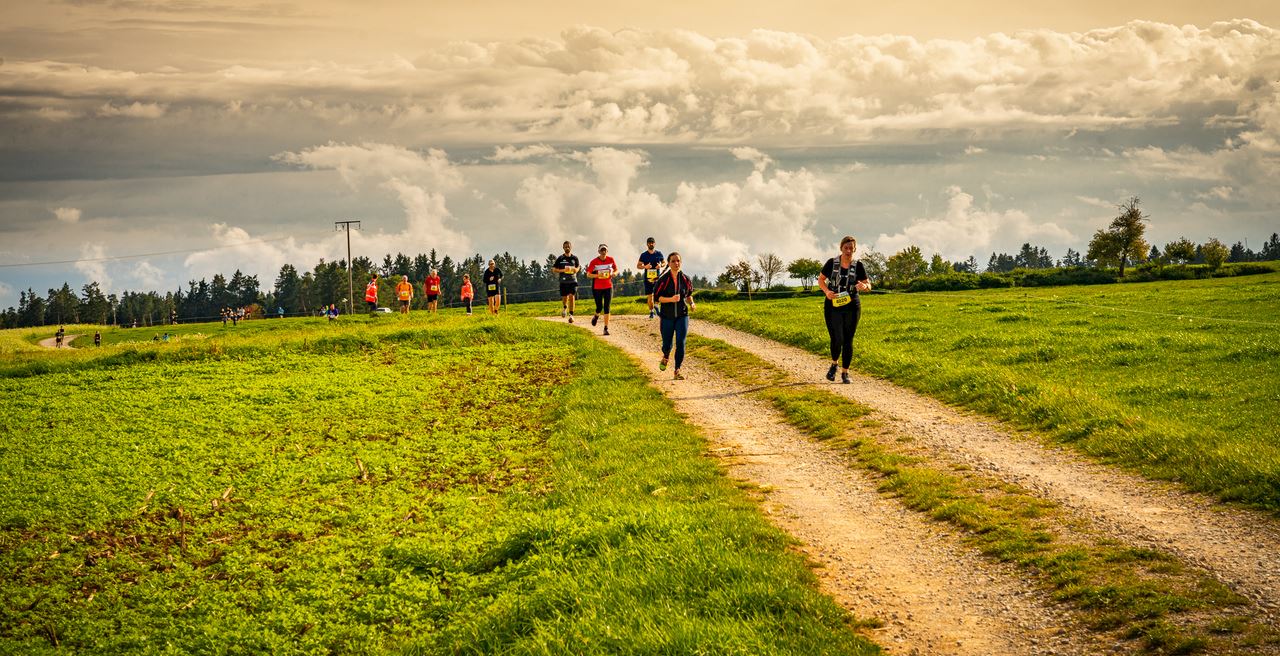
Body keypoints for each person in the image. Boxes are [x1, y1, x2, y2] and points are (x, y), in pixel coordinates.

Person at [818, 235, 871, 384]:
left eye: (851, 248)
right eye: (846, 248)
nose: (848, 251)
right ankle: (834, 364)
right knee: (837, 338)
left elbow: (868, 284)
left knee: (848, 339)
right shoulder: (831, 263)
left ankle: (845, 373)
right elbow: (821, 279)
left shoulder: (858, 265)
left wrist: (865, 286)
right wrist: (827, 292)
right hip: (833, 304)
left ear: (854, 249)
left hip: (852, 305)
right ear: (841, 248)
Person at [653, 251, 696, 380]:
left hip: (682, 315)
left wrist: (692, 303)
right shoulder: (663, 280)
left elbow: (688, 295)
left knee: (681, 343)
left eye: (678, 261)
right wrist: (671, 299)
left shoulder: (685, 279)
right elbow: (657, 298)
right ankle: (666, 355)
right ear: (669, 263)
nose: (676, 263)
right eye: (673, 261)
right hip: (667, 316)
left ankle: (677, 369)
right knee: (667, 343)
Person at [587, 244, 618, 335]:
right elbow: (588, 274)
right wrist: (598, 275)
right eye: (602, 250)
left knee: (607, 307)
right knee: (599, 307)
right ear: (599, 251)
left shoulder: (611, 260)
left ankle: (606, 328)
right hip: (597, 287)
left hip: (608, 286)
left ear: (607, 251)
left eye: (605, 250)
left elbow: (616, 270)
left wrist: (614, 274)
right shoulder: (594, 262)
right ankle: (596, 316)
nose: (603, 252)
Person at [637, 237, 665, 319]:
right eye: (649, 243)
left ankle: (656, 305)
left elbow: (664, 263)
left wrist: (660, 265)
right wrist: (645, 266)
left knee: (658, 294)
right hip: (648, 278)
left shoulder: (659, 253)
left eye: (652, 242)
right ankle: (651, 312)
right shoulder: (644, 255)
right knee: (650, 296)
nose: (651, 244)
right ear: (647, 244)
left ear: (654, 243)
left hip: (657, 278)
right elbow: (638, 266)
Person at [553, 241, 580, 323]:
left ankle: (571, 315)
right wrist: (563, 270)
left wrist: (576, 270)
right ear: (563, 248)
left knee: (572, 296)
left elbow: (578, 267)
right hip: (563, 281)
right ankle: (565, 307)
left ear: (571, 247)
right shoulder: (560, 258)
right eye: (565, 246)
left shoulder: (575, 258)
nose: (567, 248)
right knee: (565, 297)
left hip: (573, 280)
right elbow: (554, 269)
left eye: (568, 246)